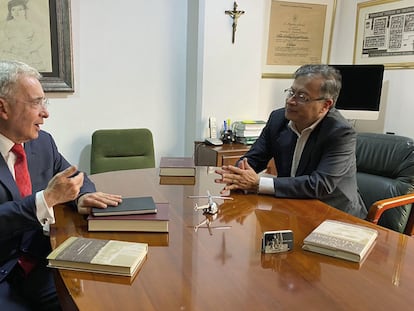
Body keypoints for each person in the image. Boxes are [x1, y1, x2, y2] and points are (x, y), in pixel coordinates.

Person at [0, 60, 122, 310]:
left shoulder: (43, 143)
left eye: (44, 102)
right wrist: (45, 200)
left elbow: (75, 176)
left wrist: (82, 196)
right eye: (35, 103)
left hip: (40, 262)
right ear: (3, 108)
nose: (45, 113)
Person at [215, 64, 367, 219]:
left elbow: (320, 184)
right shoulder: (278, 119)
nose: (291, 101)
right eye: (291, 92)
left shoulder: (340, 132)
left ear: (325, 105)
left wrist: (258, 184)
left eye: (302, 97)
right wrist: (238, 175)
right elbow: (254, 158)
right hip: (292, 205)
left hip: (333, 214)